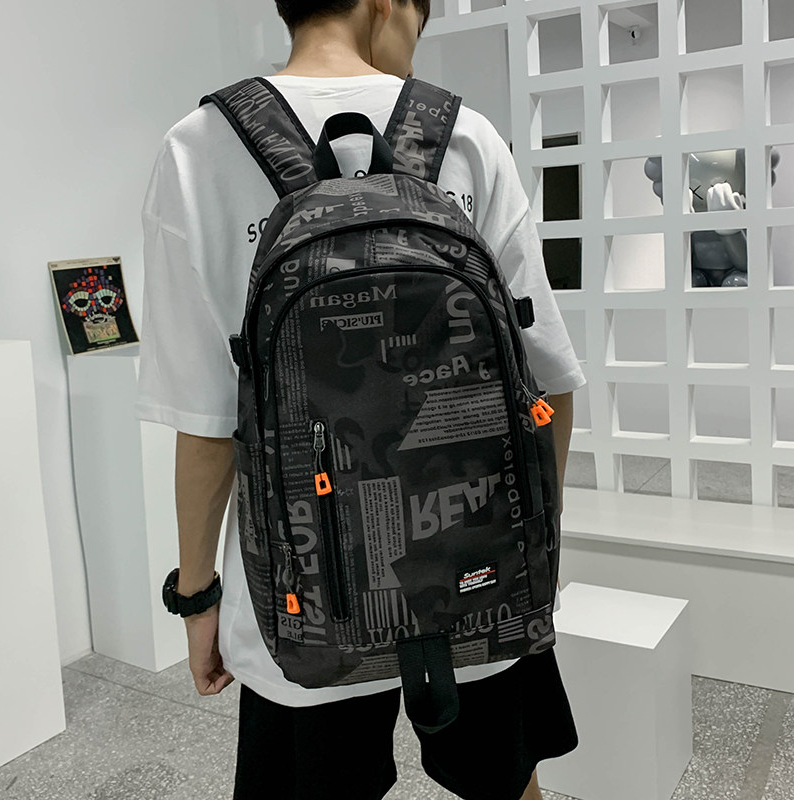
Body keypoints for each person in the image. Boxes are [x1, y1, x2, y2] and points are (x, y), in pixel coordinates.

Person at [135, 1, 586, 798]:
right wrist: (534, 549)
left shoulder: (197, 147)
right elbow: (546, 381)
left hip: (303, 594)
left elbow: (206, 425)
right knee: (507, 782)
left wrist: (199, 598)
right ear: (388, 2)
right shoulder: (468, 136)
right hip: (477, 568)